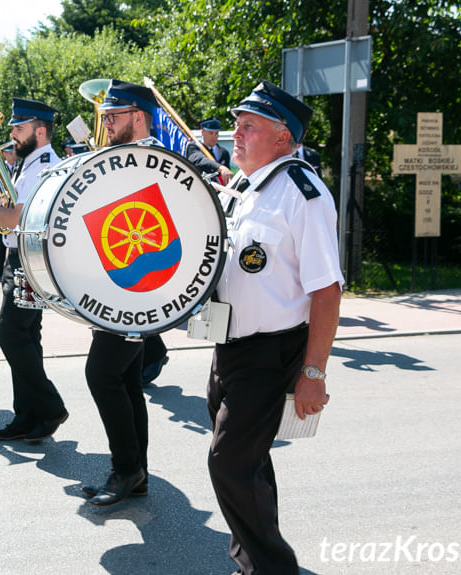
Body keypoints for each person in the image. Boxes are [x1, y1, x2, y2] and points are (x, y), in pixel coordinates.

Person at [208, 80, 343, 575]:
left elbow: (326, 291)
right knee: (248, 463)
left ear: (283, 138)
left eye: (249, 127)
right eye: (238, 125)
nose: (236, 135)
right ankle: (251, 559)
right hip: (229, 346)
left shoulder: (303, 195)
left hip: (272, 353)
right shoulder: (246, 188)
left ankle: (271, 568)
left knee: (229, 463)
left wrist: (314, 372)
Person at [78, 80, 162, 506]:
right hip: (115, 288)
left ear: (139, 117)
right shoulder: (121, 162)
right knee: (126, 380)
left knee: (102, 374)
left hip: (139, 290)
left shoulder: (155, 164)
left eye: (113, 116)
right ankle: (137, 473)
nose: (105, 123)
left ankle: (126, 469)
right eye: (105, 117)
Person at [0, 98, 69, 443]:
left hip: (28, 260)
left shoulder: (44, 167)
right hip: (20, 257)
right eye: (13, 127)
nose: (12, 134)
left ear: (40, 131)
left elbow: (12, 217)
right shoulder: (29, 163)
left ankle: (49, 406)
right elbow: (9, 205)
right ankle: (27, 415)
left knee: (11, 335)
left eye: (19, 128)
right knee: (27, 337)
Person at [185, 116, 233, 184]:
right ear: (202, 132)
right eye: (211, 133)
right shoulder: (194, 147)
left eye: (216, 133)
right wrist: (219, 167)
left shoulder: (224, 152)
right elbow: (199, 160)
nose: (214, 136)